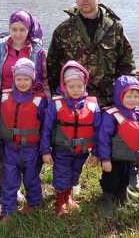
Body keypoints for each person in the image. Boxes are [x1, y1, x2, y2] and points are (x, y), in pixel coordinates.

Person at [0, 9, 47, 204]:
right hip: (2, 106)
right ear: (9, 28)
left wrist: (47, 106)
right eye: (14, 29)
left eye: (22, 29)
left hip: (29, 105)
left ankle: (31, 185)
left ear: (29, 30)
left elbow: (45, 81)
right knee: (0, 147)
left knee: (29, 146)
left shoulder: (38, 51)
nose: (18, 33)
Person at [47, 0, 136, 108]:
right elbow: (52, 68)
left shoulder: (114, 27)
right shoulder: (63, 30)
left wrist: (128, 93)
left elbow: (126, 64)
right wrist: (56, 98)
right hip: (74, 102)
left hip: (108, 102)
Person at [41, 60, 101, 216]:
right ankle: (60, 203)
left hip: (82, 150)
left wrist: (96, 152)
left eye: (79, 86)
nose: (75, 90)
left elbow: (98, 130)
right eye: (71, 86)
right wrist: (45, 150)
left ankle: (68, 198)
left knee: (75, 174)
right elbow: (46, 129)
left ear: (85, 85)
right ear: (64, 86)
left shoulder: (93, 105)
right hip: (62, 149)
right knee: (62, 175)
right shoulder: (56, 104)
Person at [0, 58, 49, 223]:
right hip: (10, 148)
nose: (22, 82)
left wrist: (45, 148)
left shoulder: (40, 100)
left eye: (26, 79)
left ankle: (34, 202)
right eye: (19, 79)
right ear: (14, 78)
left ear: (32, 79)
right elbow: (0, 122)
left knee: (31, 178)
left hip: (31, 149)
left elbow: (45, 126)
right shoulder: (5, 96)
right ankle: (8, 210)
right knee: (9, 180)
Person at [96, 75, 139, 214]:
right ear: (119, 96)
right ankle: (108, 199)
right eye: (129, 96)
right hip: (114, 159)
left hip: (132, 158)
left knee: (126, 179)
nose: (133, 100)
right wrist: (105, 159)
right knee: (111, 180)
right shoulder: (111, 115)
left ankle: (123, 197)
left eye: (136, 96)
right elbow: (103, 139)